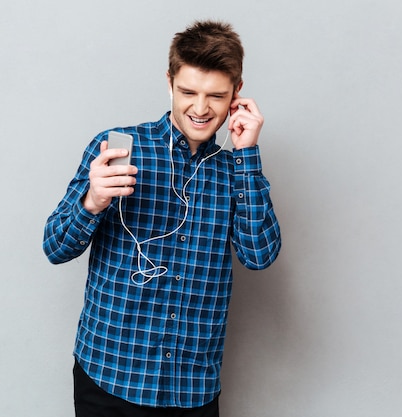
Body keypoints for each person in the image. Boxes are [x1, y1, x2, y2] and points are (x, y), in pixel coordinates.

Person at [43, 20, 282, 417]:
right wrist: (93, 202)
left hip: (192, 388)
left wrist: (247, 155)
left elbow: (260, 255)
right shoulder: (118, 148)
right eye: (188, 92)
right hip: (109, 376)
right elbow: (54, 247)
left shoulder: (237, 171)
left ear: (237, 94)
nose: (201, 108)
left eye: (216, 96)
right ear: (169, 82)